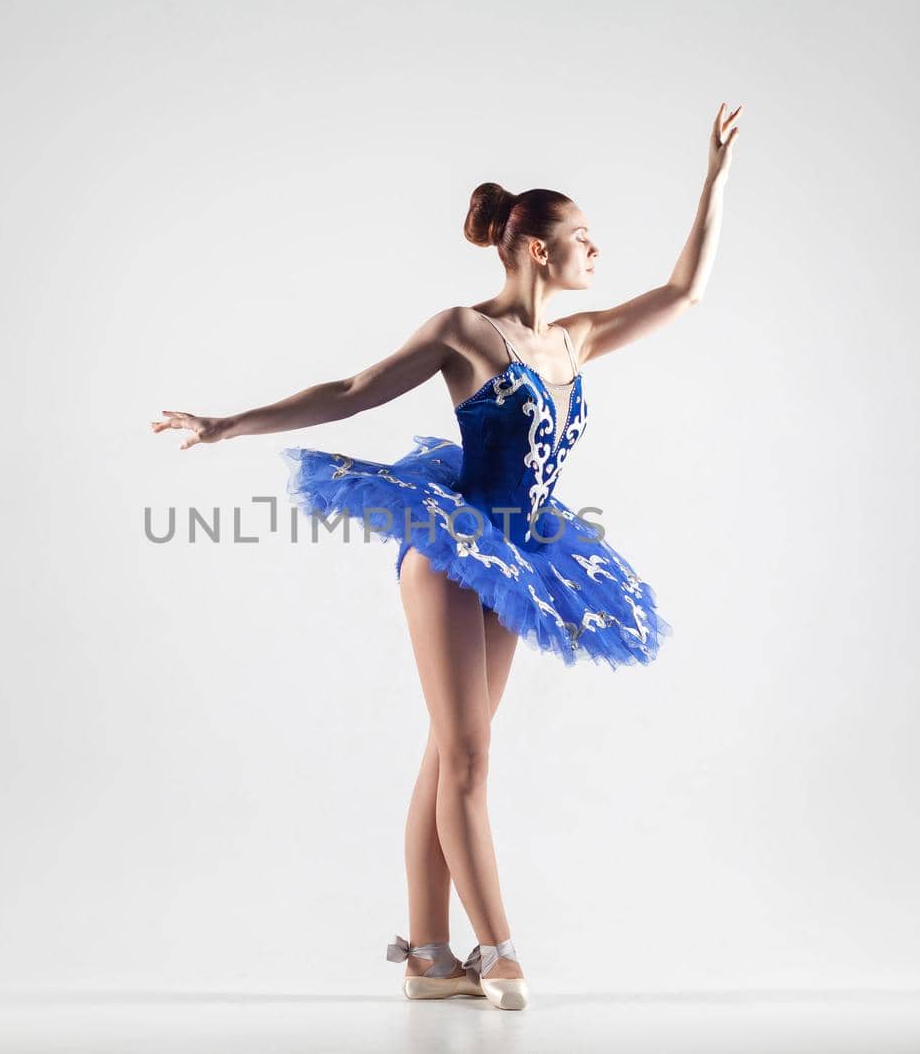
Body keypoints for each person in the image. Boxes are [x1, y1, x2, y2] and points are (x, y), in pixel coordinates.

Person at [151, 104, 742, 1010]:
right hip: (450, 546)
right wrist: (227, 422)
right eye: (583, 236)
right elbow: (350, 393)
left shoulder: (575, 341)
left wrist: (714, 177)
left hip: (521, 553)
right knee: (468, 756)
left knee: (451, 750)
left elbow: (684, 293)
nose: (597, 250)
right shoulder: (466, 332)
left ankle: (429, 956)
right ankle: (497, 950)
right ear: (536, 250)